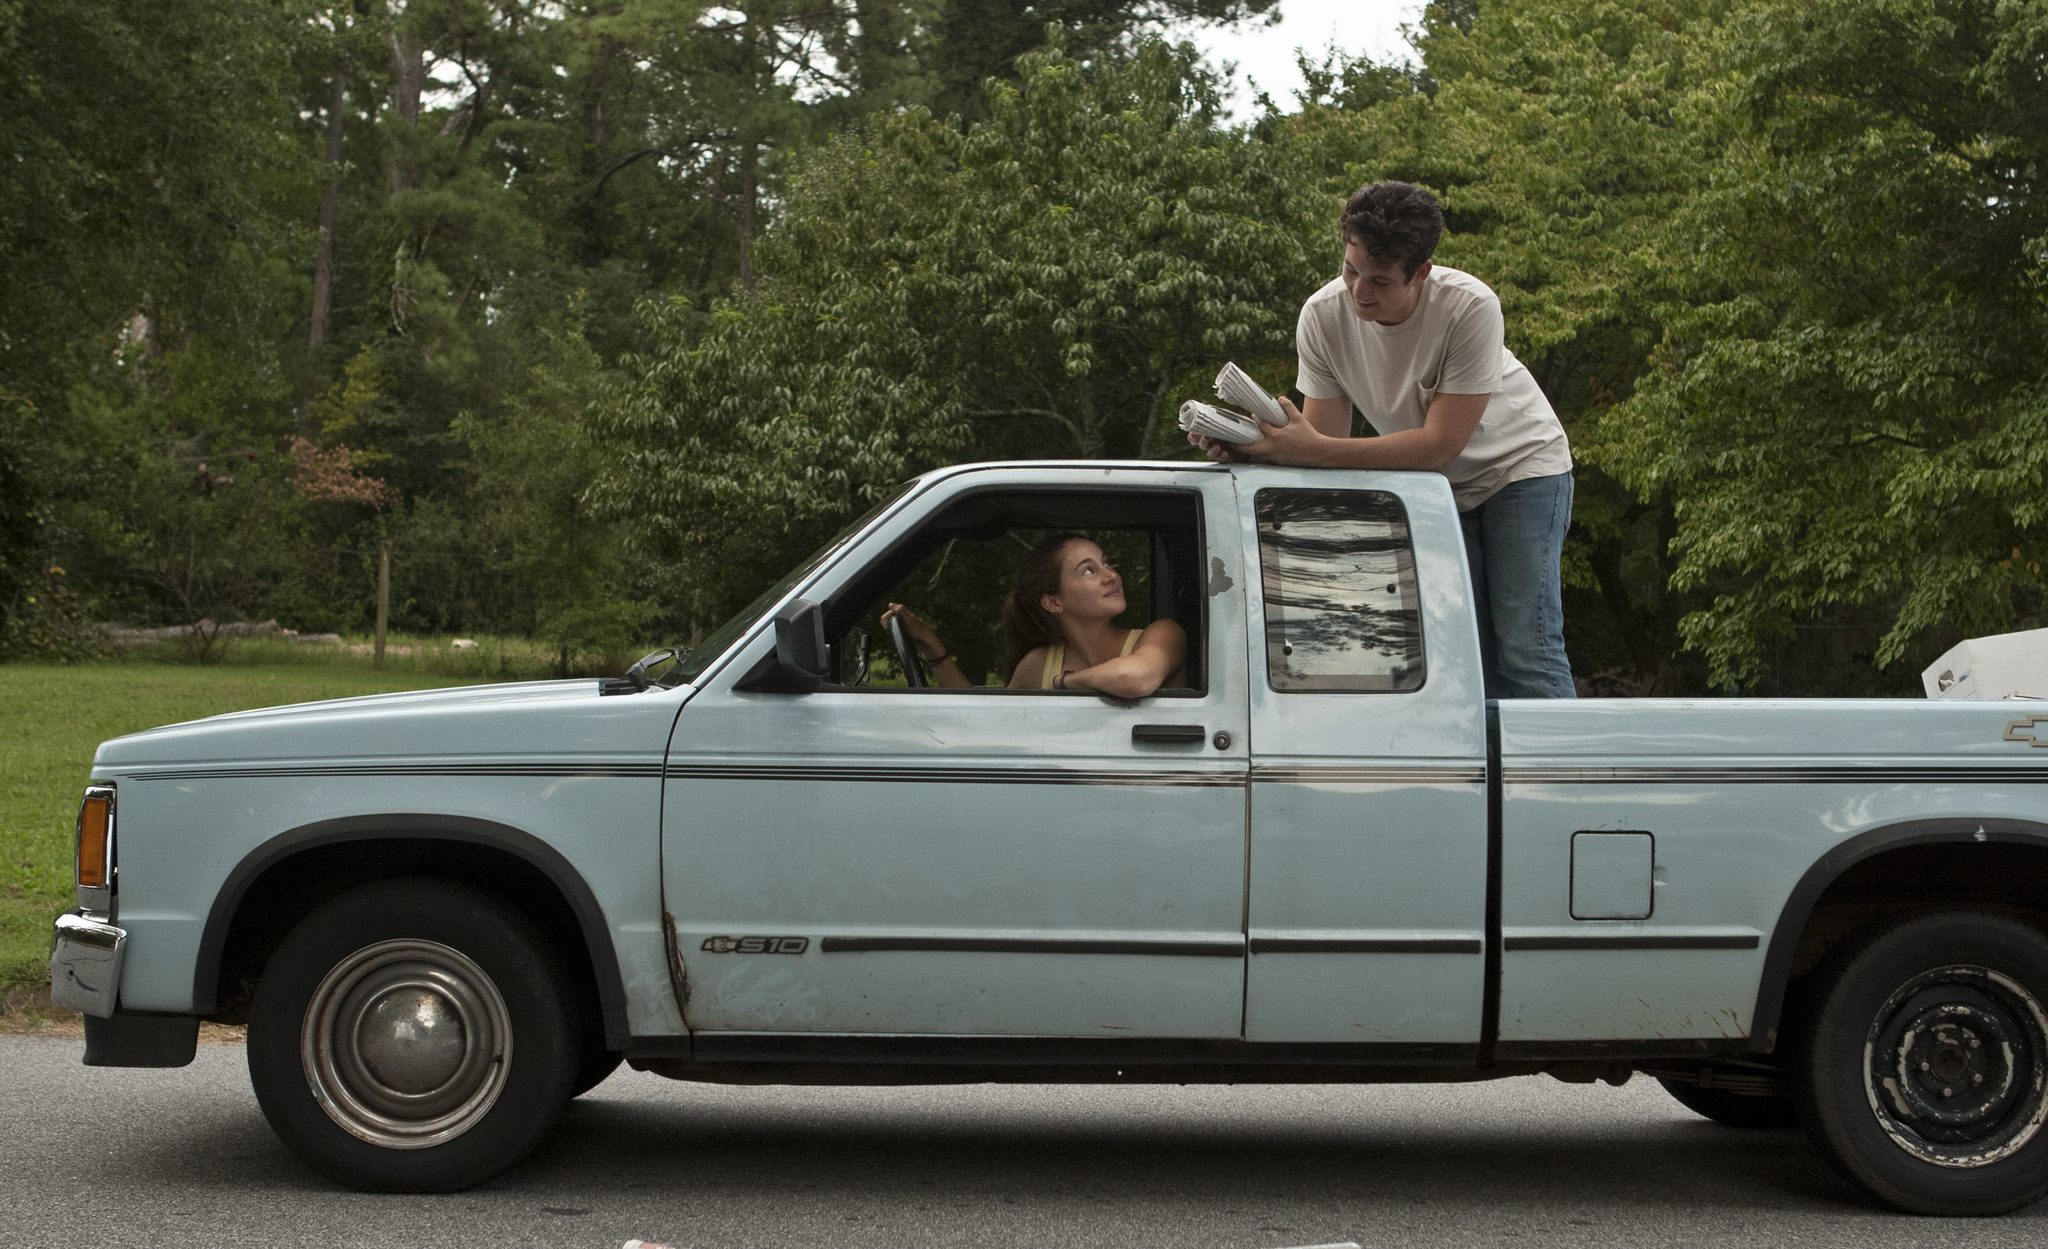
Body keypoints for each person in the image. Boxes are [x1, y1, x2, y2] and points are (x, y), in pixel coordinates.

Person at [1191, 181, 1576, 699]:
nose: (1358, 292)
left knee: (1525, 647)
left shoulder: (1469, 306)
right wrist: (1255, 450)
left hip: (1520, 470)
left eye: (1379, 280)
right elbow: (1324, 449)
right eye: (1350, 270)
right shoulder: (1322, 316)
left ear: (1420, 272)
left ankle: (1555, 780)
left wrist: (1308, 450)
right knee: (1464, 658)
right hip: (1432, 488)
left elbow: (1440, 446)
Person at [880, 533, 1187, 696]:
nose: (1111, 576)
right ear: (1054, 603)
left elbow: (1133, 678)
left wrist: (1066, 683)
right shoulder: (1039, 665)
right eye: (1089, 570)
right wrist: (929, 643)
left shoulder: (1162, 633)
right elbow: (981, 717)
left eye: (1107, 563)